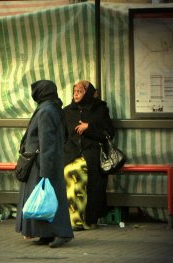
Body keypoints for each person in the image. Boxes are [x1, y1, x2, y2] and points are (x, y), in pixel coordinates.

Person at [15, 80, 74, 248]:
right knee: (46, 199)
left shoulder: (46, 110)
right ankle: (46, 233)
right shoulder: (52, 107)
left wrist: (45, 169)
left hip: (42, 162)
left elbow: (46, 141)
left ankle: (63, 233)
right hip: (45, 161)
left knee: (51, 199)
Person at [63, 80, 115, 230]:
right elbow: (63, 135)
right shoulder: (67, 111)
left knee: (87, 179)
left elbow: (109, 133)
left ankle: (88, 220)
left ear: (88, 92)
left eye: (80, 91)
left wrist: (89, 127)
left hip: (92, 154)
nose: (76, 94)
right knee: (70, 173)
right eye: (75, 91)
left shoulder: (99, 109)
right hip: (71, 154)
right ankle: (74, 220)